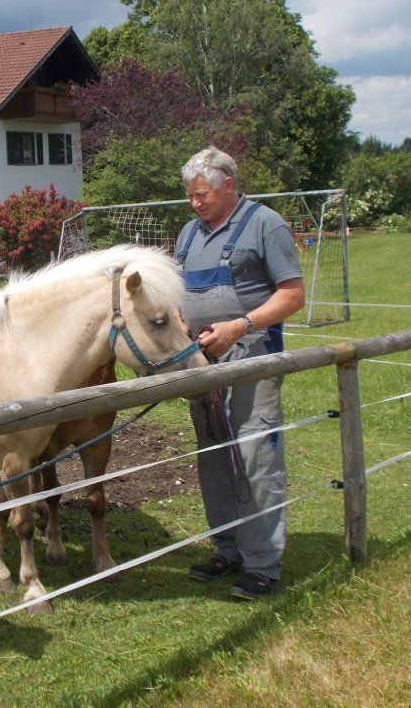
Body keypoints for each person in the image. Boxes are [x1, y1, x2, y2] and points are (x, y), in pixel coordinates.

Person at [173, 147, 305, 600]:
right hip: (202, 363)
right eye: (190, 196)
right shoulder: (189, 234)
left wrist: (240, 325)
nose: (195, 203)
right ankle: (227, 548)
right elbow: (180, 294)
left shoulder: (266, 224)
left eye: (202, 194)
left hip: (253, 356)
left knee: (255, 455)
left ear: (228, 183)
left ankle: (263, 564)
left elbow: (292, 295)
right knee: (213, 455)